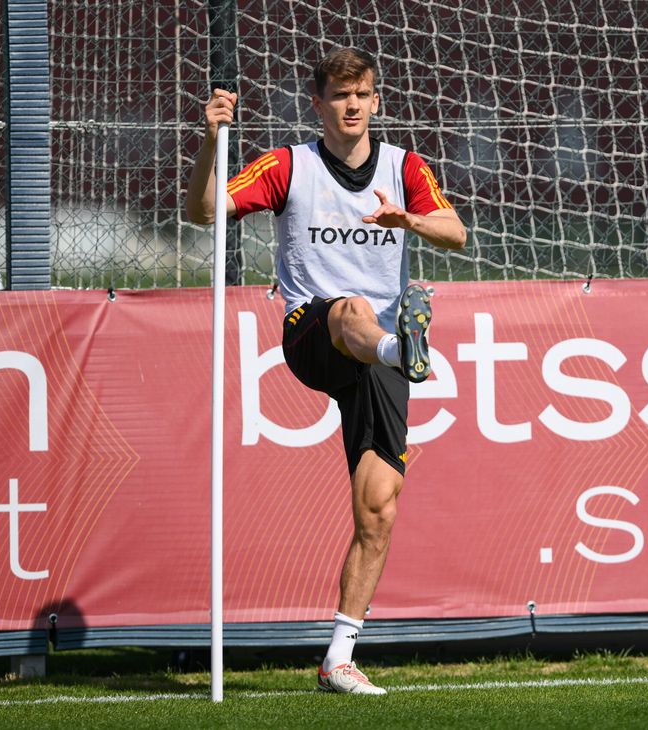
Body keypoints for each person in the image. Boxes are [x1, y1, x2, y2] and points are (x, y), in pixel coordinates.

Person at [185, 47, 466, 695]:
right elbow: (204, 212)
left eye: (362, 94)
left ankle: (338, 656)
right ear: (318, 103)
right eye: (340, 95)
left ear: (375, 100)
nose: (352, 105)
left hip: (376, 356)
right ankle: (403, 350)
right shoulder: (289, 165)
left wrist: (409, 219)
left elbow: (455, 234)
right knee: (352, 309)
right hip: (313, 330)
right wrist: (210, 139)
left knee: (378, 509)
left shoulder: (404, 167)